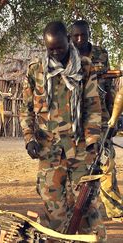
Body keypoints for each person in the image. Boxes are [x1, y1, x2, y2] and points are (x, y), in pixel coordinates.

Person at [19, 21, 105, 240]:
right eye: (51, 49)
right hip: (49, 151)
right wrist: (29, 138)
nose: (56, 53)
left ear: (68, 39)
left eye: (60, 47)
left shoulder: (84, 67)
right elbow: (26, 109)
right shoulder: (36, 71)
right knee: (54, 208)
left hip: (81, 148)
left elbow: (93, 107)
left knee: (88, 207)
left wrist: (94, 141)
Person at [70, 20, 123, 221]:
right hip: (75, 117)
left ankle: (113, 207)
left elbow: (109, 88)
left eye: (83, 35)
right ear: (70, 37)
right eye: (76, 36)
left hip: (100, 115)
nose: (80, 39)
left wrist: (113, 116)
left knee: (106, 159)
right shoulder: (67, 55)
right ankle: (76, 207)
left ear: (89, 34)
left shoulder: (101, 54)